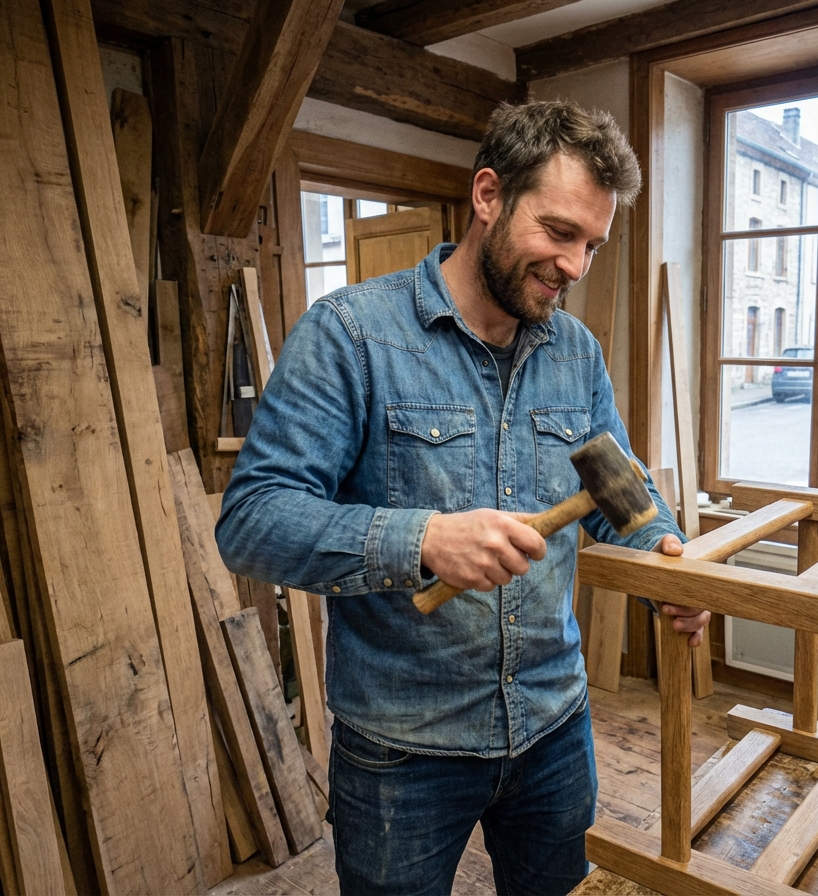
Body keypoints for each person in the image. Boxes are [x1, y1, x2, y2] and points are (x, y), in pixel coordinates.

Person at [216, 100, 710, 896]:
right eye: (558, 232)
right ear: (489, 196)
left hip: (554, 726)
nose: (576, 267)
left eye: (592, 244)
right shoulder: (351, 336)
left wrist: (667, 560)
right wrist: (422, 541)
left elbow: (623, 490)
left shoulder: (574, 352)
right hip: (402, 751)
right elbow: (251, 521)